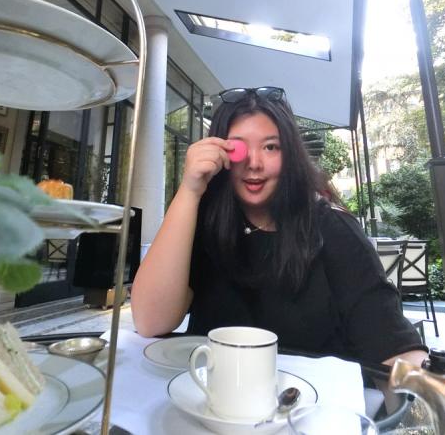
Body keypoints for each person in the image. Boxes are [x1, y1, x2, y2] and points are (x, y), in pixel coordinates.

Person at [131, 86, 427, 366]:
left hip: (306, 407)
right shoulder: (206, 225)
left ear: (290, 157)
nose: (255, 163)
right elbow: (150, 321)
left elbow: (392, 344)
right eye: (237, 148)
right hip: (214, 402)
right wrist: (190, 190)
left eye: (271, 147)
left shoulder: (332, 228)